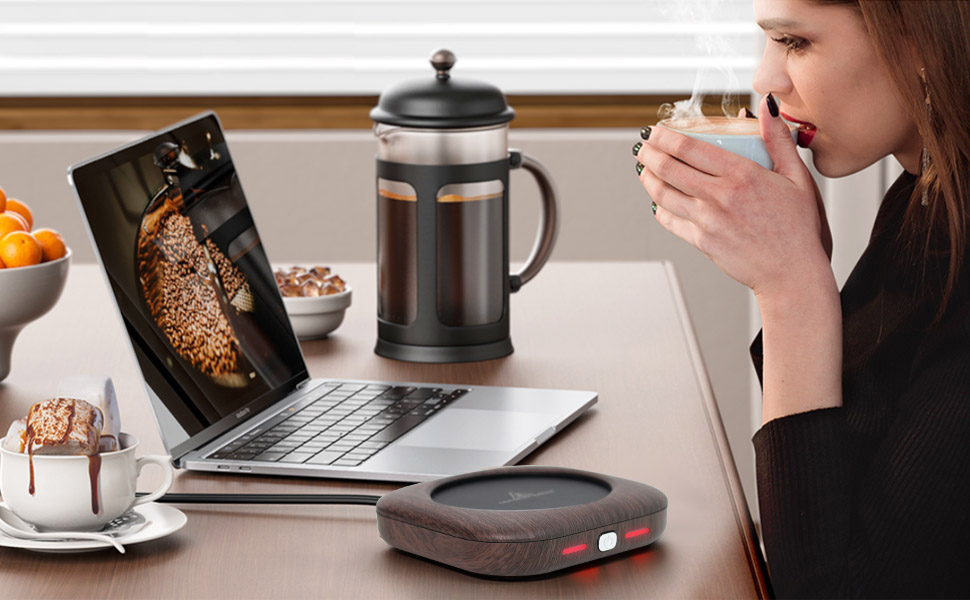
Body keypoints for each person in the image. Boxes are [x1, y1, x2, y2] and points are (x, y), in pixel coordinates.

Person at [634, 1, 970, 597]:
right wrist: (804, 267)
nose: (765, 79)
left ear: (921, 42)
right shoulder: (923, 199)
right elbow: (858, 482)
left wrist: (792, 292)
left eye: (794, 43)